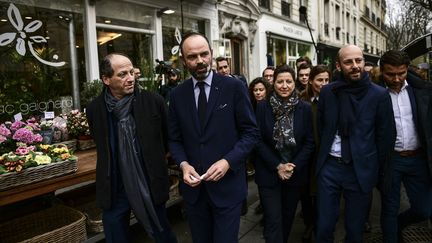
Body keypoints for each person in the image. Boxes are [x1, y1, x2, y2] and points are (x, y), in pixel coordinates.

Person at [168, 32, 259, 243]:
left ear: (211, 54)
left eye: (204, 54)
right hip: (194, 193)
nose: (200, 61)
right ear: (183, 60)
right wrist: (183, 165)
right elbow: (174, 139)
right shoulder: (177, 95)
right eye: (192, 57)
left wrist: (228, 161)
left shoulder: (233, 87)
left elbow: (251, 133)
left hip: (227, 189)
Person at [86, 53, 177, 243]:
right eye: (122, 74)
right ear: (106, 79)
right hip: (114, 186)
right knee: (115, 235)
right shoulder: (95, 109)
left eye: (131, 72)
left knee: (162, 232)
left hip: (148, 181)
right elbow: (99, 140)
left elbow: (168, 138)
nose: (130, 78)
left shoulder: (153, 101)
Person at [315, 45, 394, 243]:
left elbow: (385, 137)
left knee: (355, 229)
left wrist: (374, 167)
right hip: (330, 167)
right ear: (339, 65)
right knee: (324, 226)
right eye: (348, 62)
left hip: (360, 170)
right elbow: (322, 127)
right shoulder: (328, 92)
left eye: (358, 61)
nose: (355, 66)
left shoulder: (379, 95)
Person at [254, 64, 314, 243]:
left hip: (294, 174)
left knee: (287, 219)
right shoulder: (262, 107)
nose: (285, 85)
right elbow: (257, 140)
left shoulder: (305, 109)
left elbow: (309, 143)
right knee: (273, 220)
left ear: (294, 83)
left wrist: (293, 166)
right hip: (269, 173)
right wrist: (277, 165)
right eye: (280, 81)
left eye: (288, 81)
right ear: (274, 84)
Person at [379, 50, 432, 243]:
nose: (396, 78)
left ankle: (400, 225)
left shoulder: (421, 90)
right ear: (381, 71)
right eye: (390, 74)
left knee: (424, 209)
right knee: (389, 209)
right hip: (390, 160)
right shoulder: (376, 94)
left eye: (401, 73)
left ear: (407, 70)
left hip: (418, 159)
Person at [298, 64, 330, 242]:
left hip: (323, 155)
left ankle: (318, 226)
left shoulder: (333, 98)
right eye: (319, 80)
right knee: (304, 193)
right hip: (305, 155)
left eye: (327, 80)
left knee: (319, 194)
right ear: (311, 81)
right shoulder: (301, 100)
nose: (324, 84)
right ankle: (309, 224)